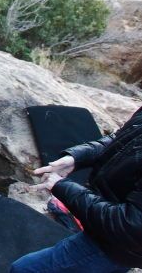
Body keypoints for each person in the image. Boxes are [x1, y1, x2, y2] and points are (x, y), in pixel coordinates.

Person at [10, 106, 142, 273]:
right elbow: (123, 139)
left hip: (117, 246)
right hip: (105, 224)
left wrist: (61, 186)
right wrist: (77, 157)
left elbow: (131, 225)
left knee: (26, 269)